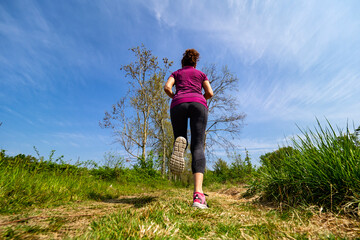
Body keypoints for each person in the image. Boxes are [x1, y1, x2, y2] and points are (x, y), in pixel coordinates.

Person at [164, 49, 213, 209]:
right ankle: (198, 196)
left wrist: (176, 97)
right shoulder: (201, 74)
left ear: (182, 63)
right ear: (195, 63)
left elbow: (167, 87)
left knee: (180, 138)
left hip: (178, 103)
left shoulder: (176, 73)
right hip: (198, 103)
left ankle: (180, 146)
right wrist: (199, 98)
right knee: (198, 146)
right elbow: (210, 93)